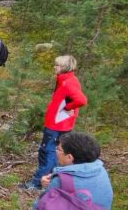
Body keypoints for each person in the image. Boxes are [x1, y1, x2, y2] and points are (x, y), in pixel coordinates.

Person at [24, 56, 87, 190]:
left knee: (48, 152)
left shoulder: (68, 82)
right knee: (49, 151)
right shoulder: (65, 79)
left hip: (57, 125)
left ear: (64, 68)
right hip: (59, 123)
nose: (54, 67)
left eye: (57, 66)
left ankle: (37, 183)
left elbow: (81, 100)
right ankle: (49, 179)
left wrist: (68, 108)